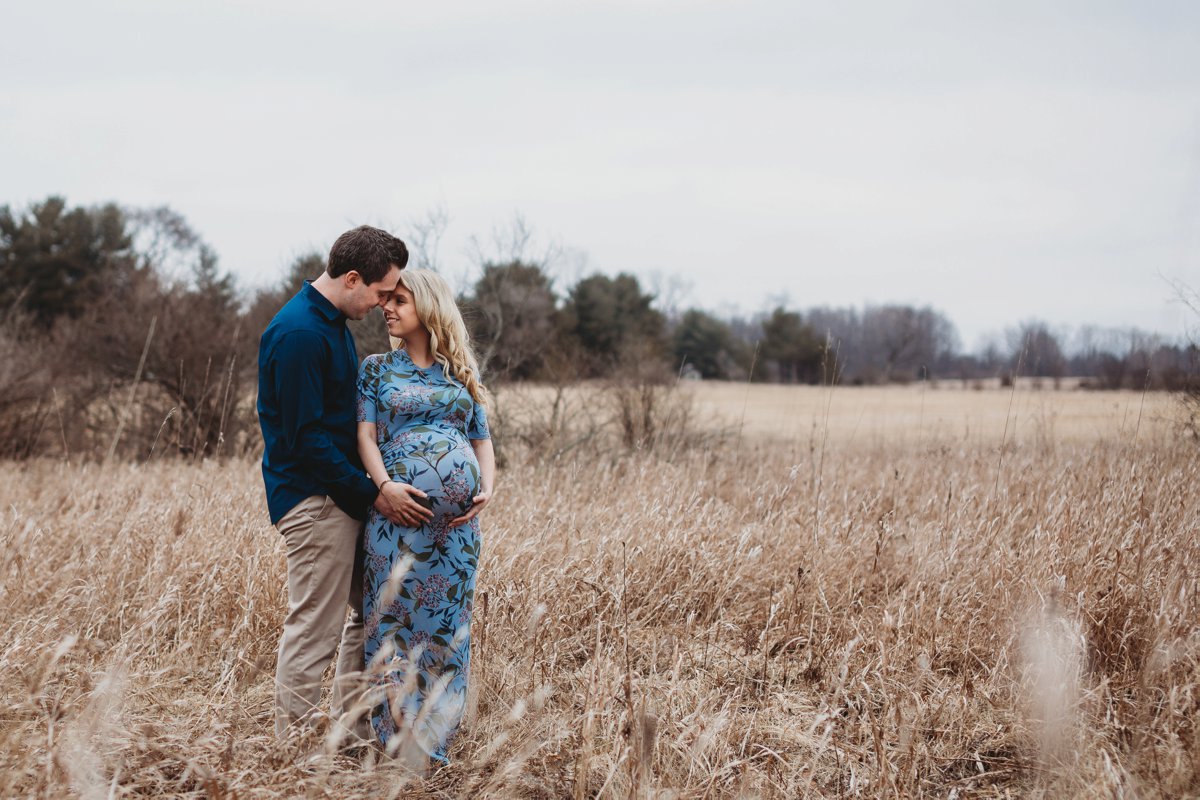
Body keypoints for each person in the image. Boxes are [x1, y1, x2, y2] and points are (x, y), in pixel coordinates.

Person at [257, 225, 430, 744]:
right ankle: (294, 759)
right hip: (316, 503)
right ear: (352, 279)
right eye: (380, 292)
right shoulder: (300, 334)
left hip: (345, 498)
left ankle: (351, 738)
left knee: (371, 616)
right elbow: (307, 440)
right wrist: (375, 494)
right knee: (315, 629)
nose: (383, 304)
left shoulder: (331, 324)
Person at [356, 268, 495, 765]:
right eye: (386, 299)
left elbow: (482, 440)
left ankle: (434, 740)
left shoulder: (460, 371)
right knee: (390, 626)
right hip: (395, 525)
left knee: (447, 631)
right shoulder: (376, 368)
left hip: (456, 535)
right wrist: (385, 485)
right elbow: (365, 437)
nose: (387, 308)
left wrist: (487, 489)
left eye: (399, 300)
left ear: (429, 307)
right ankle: (395, 743)